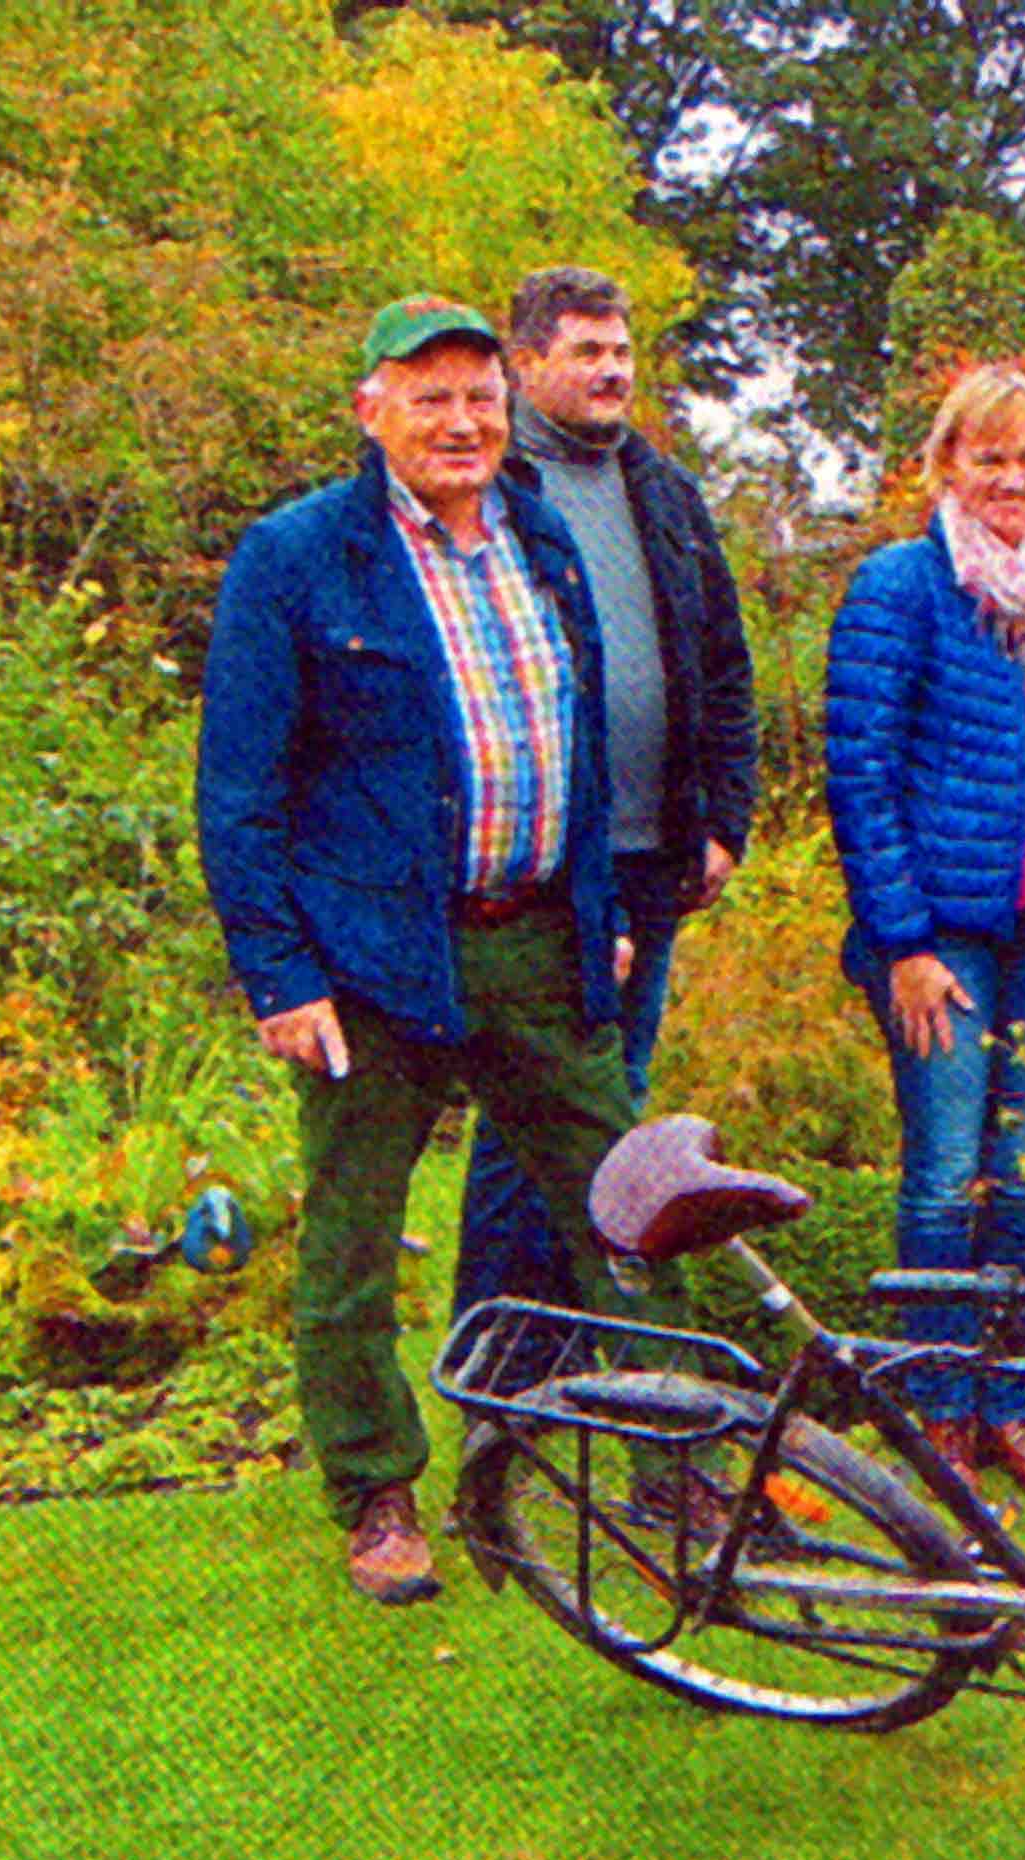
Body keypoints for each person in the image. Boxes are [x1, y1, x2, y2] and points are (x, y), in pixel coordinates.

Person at [198, 295, 645, 1605]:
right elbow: (238, 794)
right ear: (370, 409)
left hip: (533, 943)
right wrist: (281, 976)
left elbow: (586, 739)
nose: (462, 421)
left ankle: (678, 1455)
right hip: (370, 965)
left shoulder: (538, 535)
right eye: (430, 394)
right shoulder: (297, 558)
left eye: (480, 395)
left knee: (623, 1204)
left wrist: (597, 920)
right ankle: (377, 1490)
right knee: (351, 1241)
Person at [823, 363, 1025, 1497]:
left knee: (1024, 1166)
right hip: (939, 930)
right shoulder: (901, 585)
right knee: (946, 1171)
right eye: (987, 458)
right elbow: (860, 771)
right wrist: (900, 939)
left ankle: (1011, 1397)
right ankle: (939, 1403)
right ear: (946, 465)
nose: (1011, 477)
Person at [453, 265, 758, 1321]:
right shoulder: (491, 494)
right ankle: (505, 1355)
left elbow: (722, 659)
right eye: (586, 351)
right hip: (541, 859)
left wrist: (726, 818)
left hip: (653, 853)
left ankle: (597, 1342)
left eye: (621, 350)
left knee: (615, 1109)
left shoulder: (663, 491)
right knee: (534, 1114)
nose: (612, 370)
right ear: (525, 363)